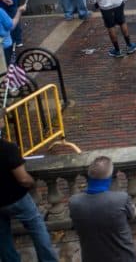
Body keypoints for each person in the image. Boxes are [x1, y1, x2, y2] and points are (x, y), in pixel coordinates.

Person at [0, 107, 58, 262]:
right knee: (37, 228)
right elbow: (23, 179)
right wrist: (32, 184)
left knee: (3, 240)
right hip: (16, 199)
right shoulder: (7, 148)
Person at [68, 155, 136, 262]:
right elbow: (132, 215)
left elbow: (75, 226)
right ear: (110, 177)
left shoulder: (74, 202)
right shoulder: (121, 198)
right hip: (124, 258)